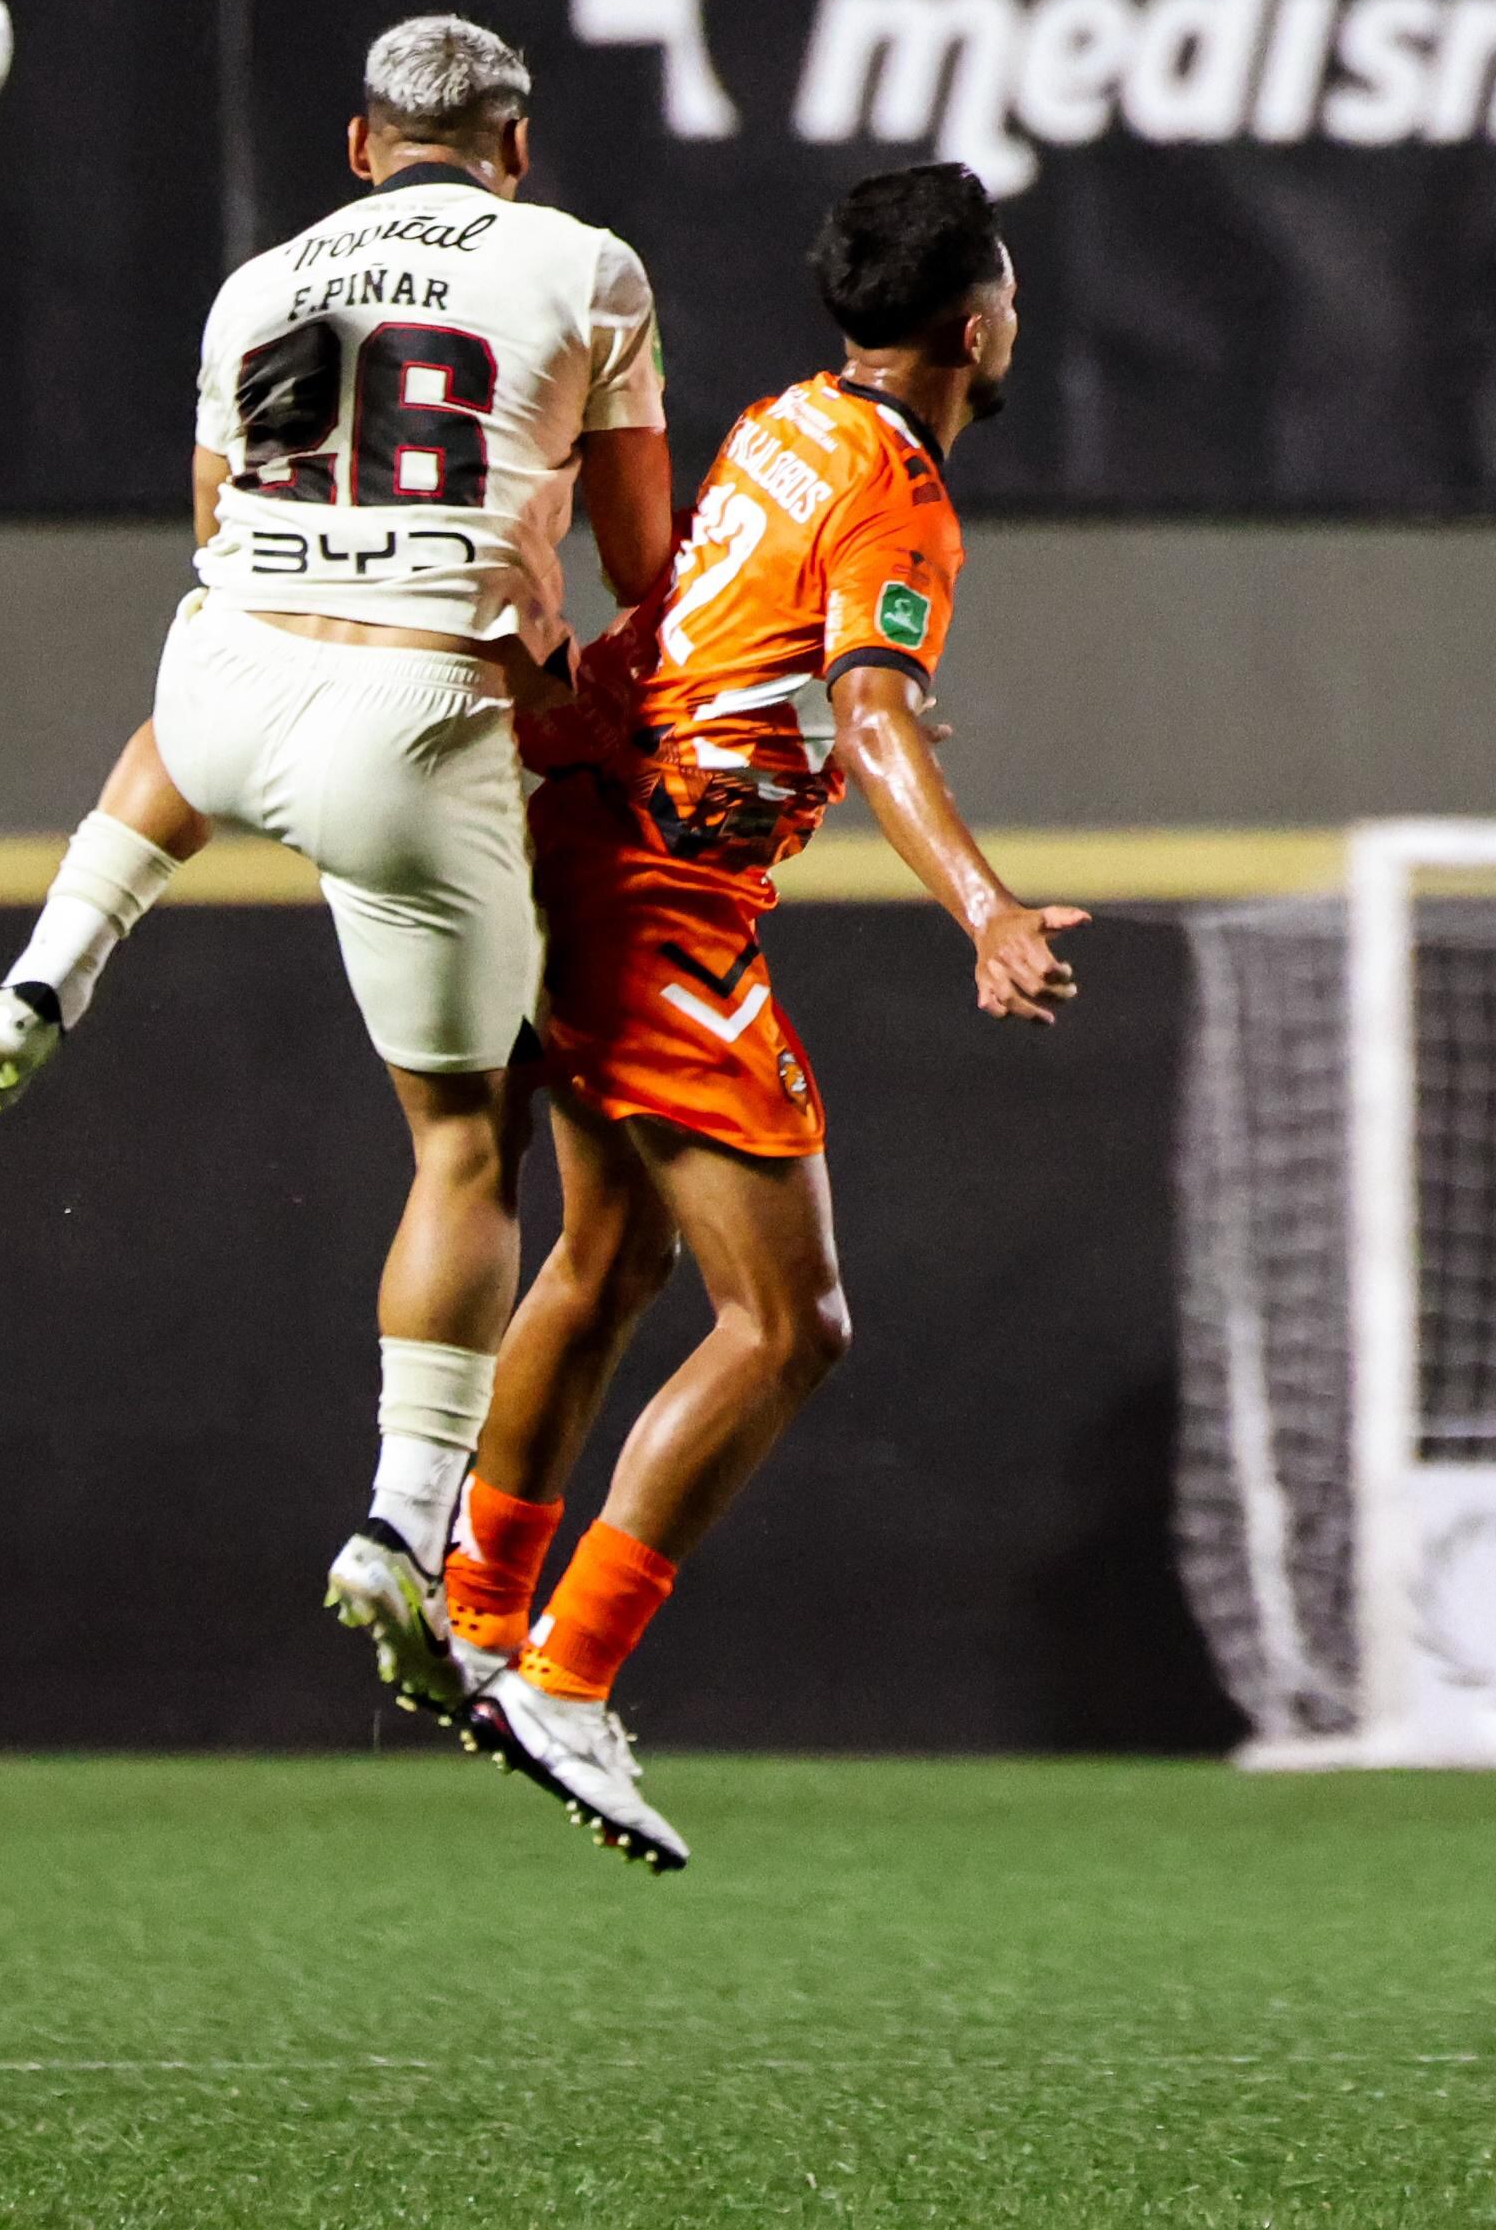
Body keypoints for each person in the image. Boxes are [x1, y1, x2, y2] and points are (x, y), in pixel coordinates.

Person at [0, 14, 672, 1703]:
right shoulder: (585, 264)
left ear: (359, 148)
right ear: (517, 145)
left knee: (199, 675)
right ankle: (400, 1522)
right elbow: (643, 564)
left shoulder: (257, 281)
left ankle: (48, 971)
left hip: (227, 679)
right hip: (415, 718)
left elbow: (218, 522)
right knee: (466, 1152)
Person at [438, 161, 1084, 1872]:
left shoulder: (783, 417)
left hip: (576, 826)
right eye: (1009, 298)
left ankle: (470, 1607)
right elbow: (871, 715)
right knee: (790, 1324)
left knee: (607, 1260)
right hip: (660, 900)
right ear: (970, 326)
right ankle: (560, 1675)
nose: (1014, 321)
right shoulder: (895, 492)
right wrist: (984, 906)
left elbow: (713, 635)